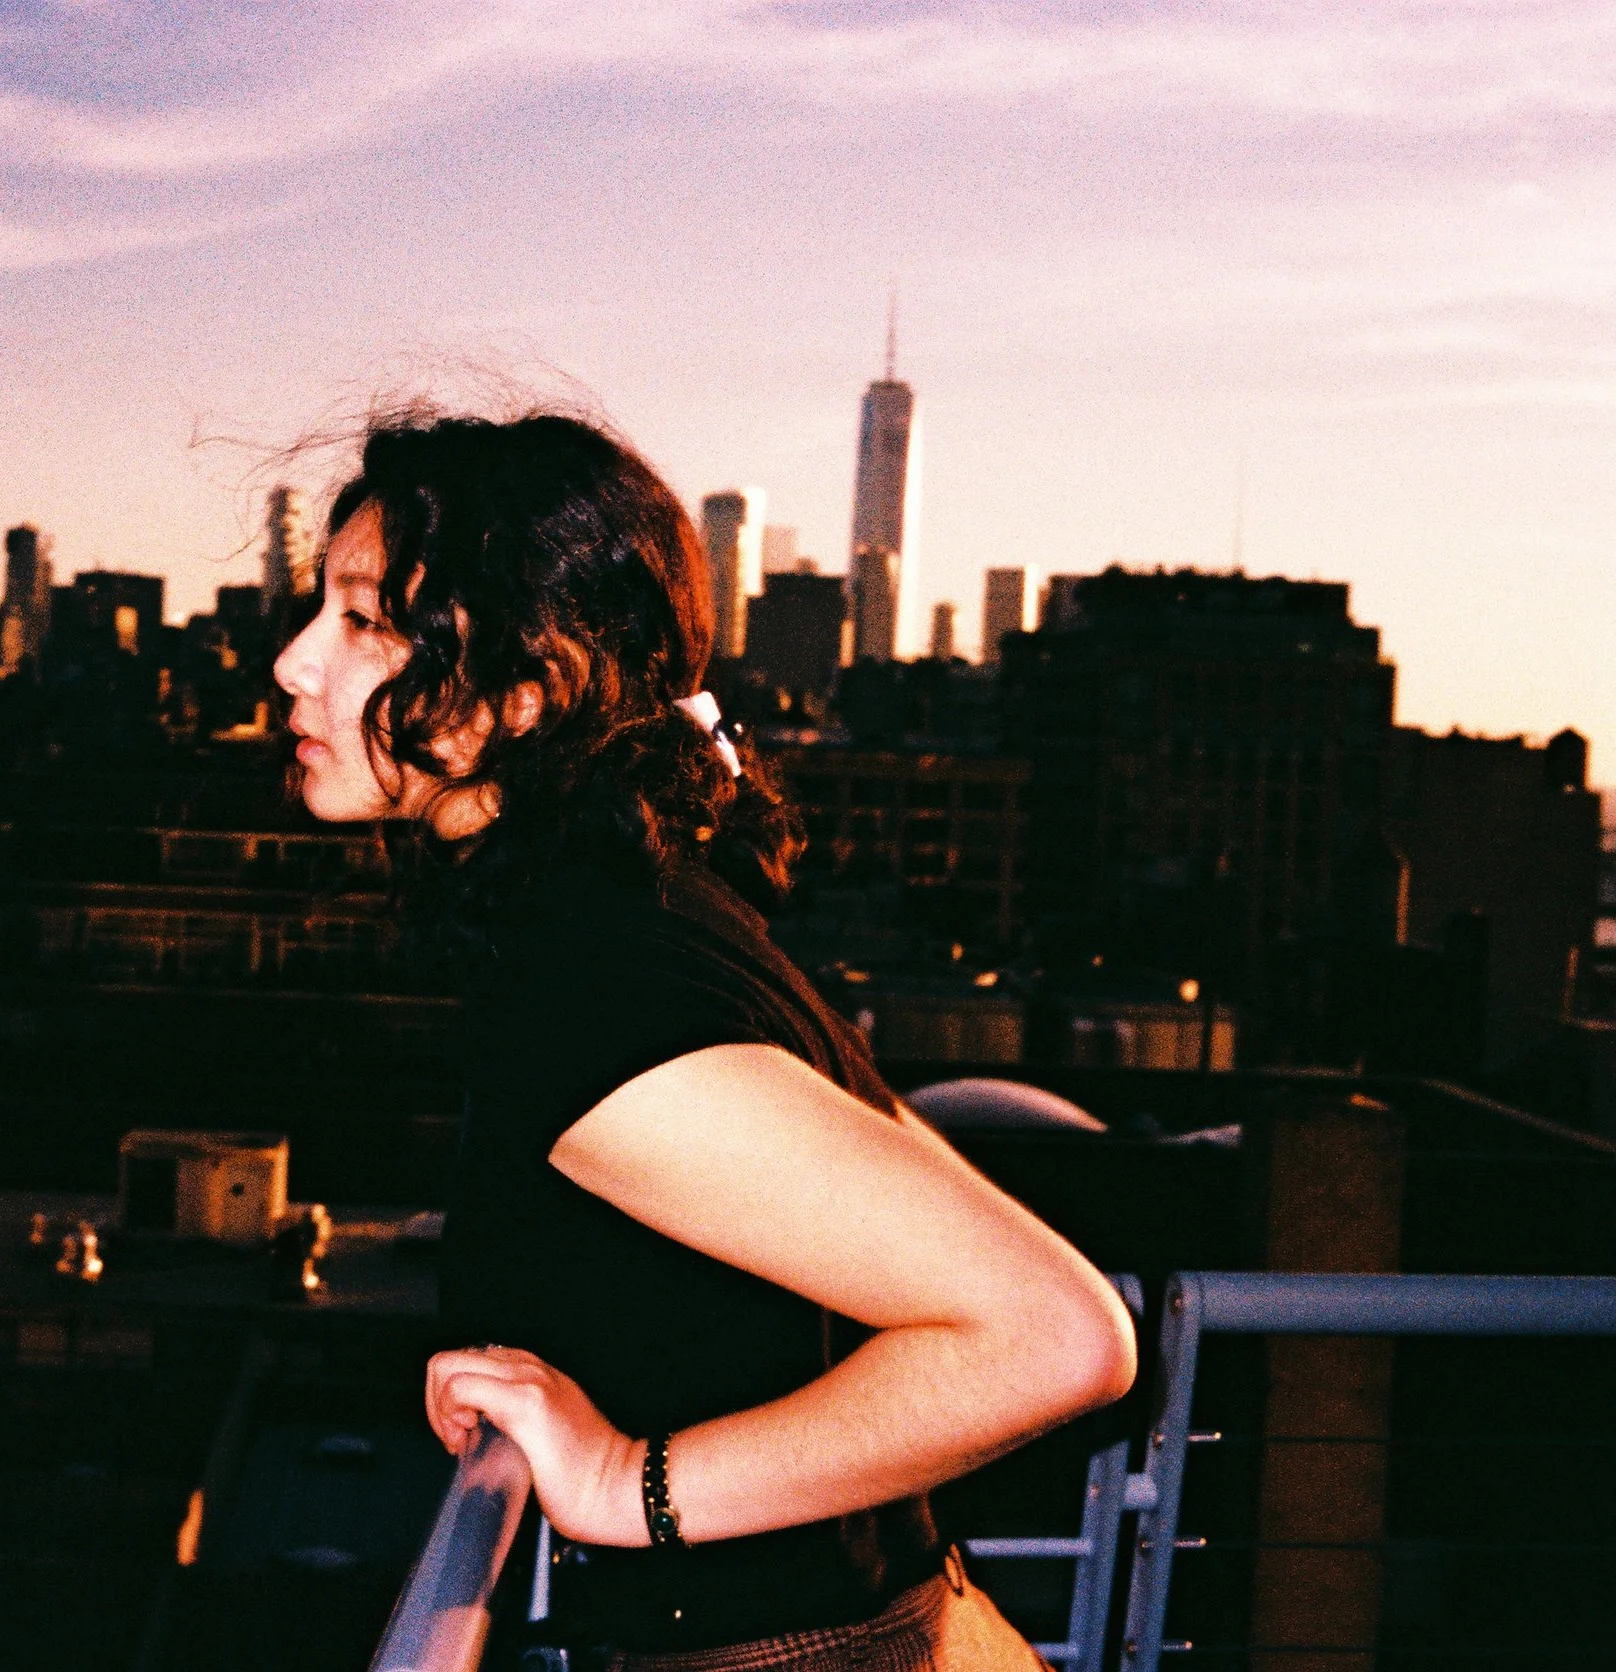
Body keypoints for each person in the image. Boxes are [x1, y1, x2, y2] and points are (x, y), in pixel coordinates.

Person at [272, 410, 1137, 1670]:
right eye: (320, 610)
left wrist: (628, 1486)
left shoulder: (593, 985)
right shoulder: (638, 907)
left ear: (531, 689)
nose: (297, 662)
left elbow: (1057, 1335)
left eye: (364, 622)